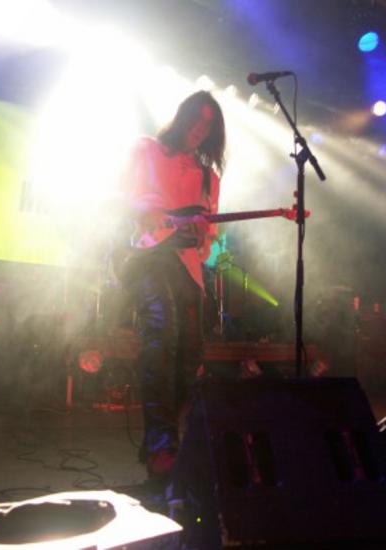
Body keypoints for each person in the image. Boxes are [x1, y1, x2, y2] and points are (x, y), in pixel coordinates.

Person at [123, 90, 226, 487]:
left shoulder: (209, 177)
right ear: (183, 117)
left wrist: (203, 235)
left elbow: (208, 236)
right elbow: (125, 197)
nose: (200, 129)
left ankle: (163, 439)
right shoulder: (147, 149)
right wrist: (152, 211)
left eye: (209, 125)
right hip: (148, 256)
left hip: (186, 267)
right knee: (161, 334)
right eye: (196, 119)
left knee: (190, 355)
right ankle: (161, 445)